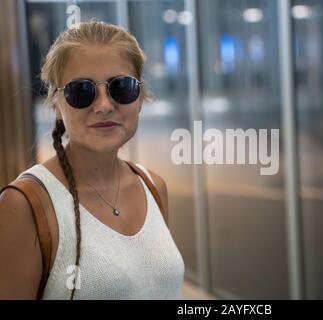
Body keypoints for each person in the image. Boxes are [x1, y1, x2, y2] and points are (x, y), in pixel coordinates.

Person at [0, 21, 185, 300]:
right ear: (56, 105)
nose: (103, 105)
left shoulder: (153, 186)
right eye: (81, 91)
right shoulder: (23, 205)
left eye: (121, 87)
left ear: (140, 98)